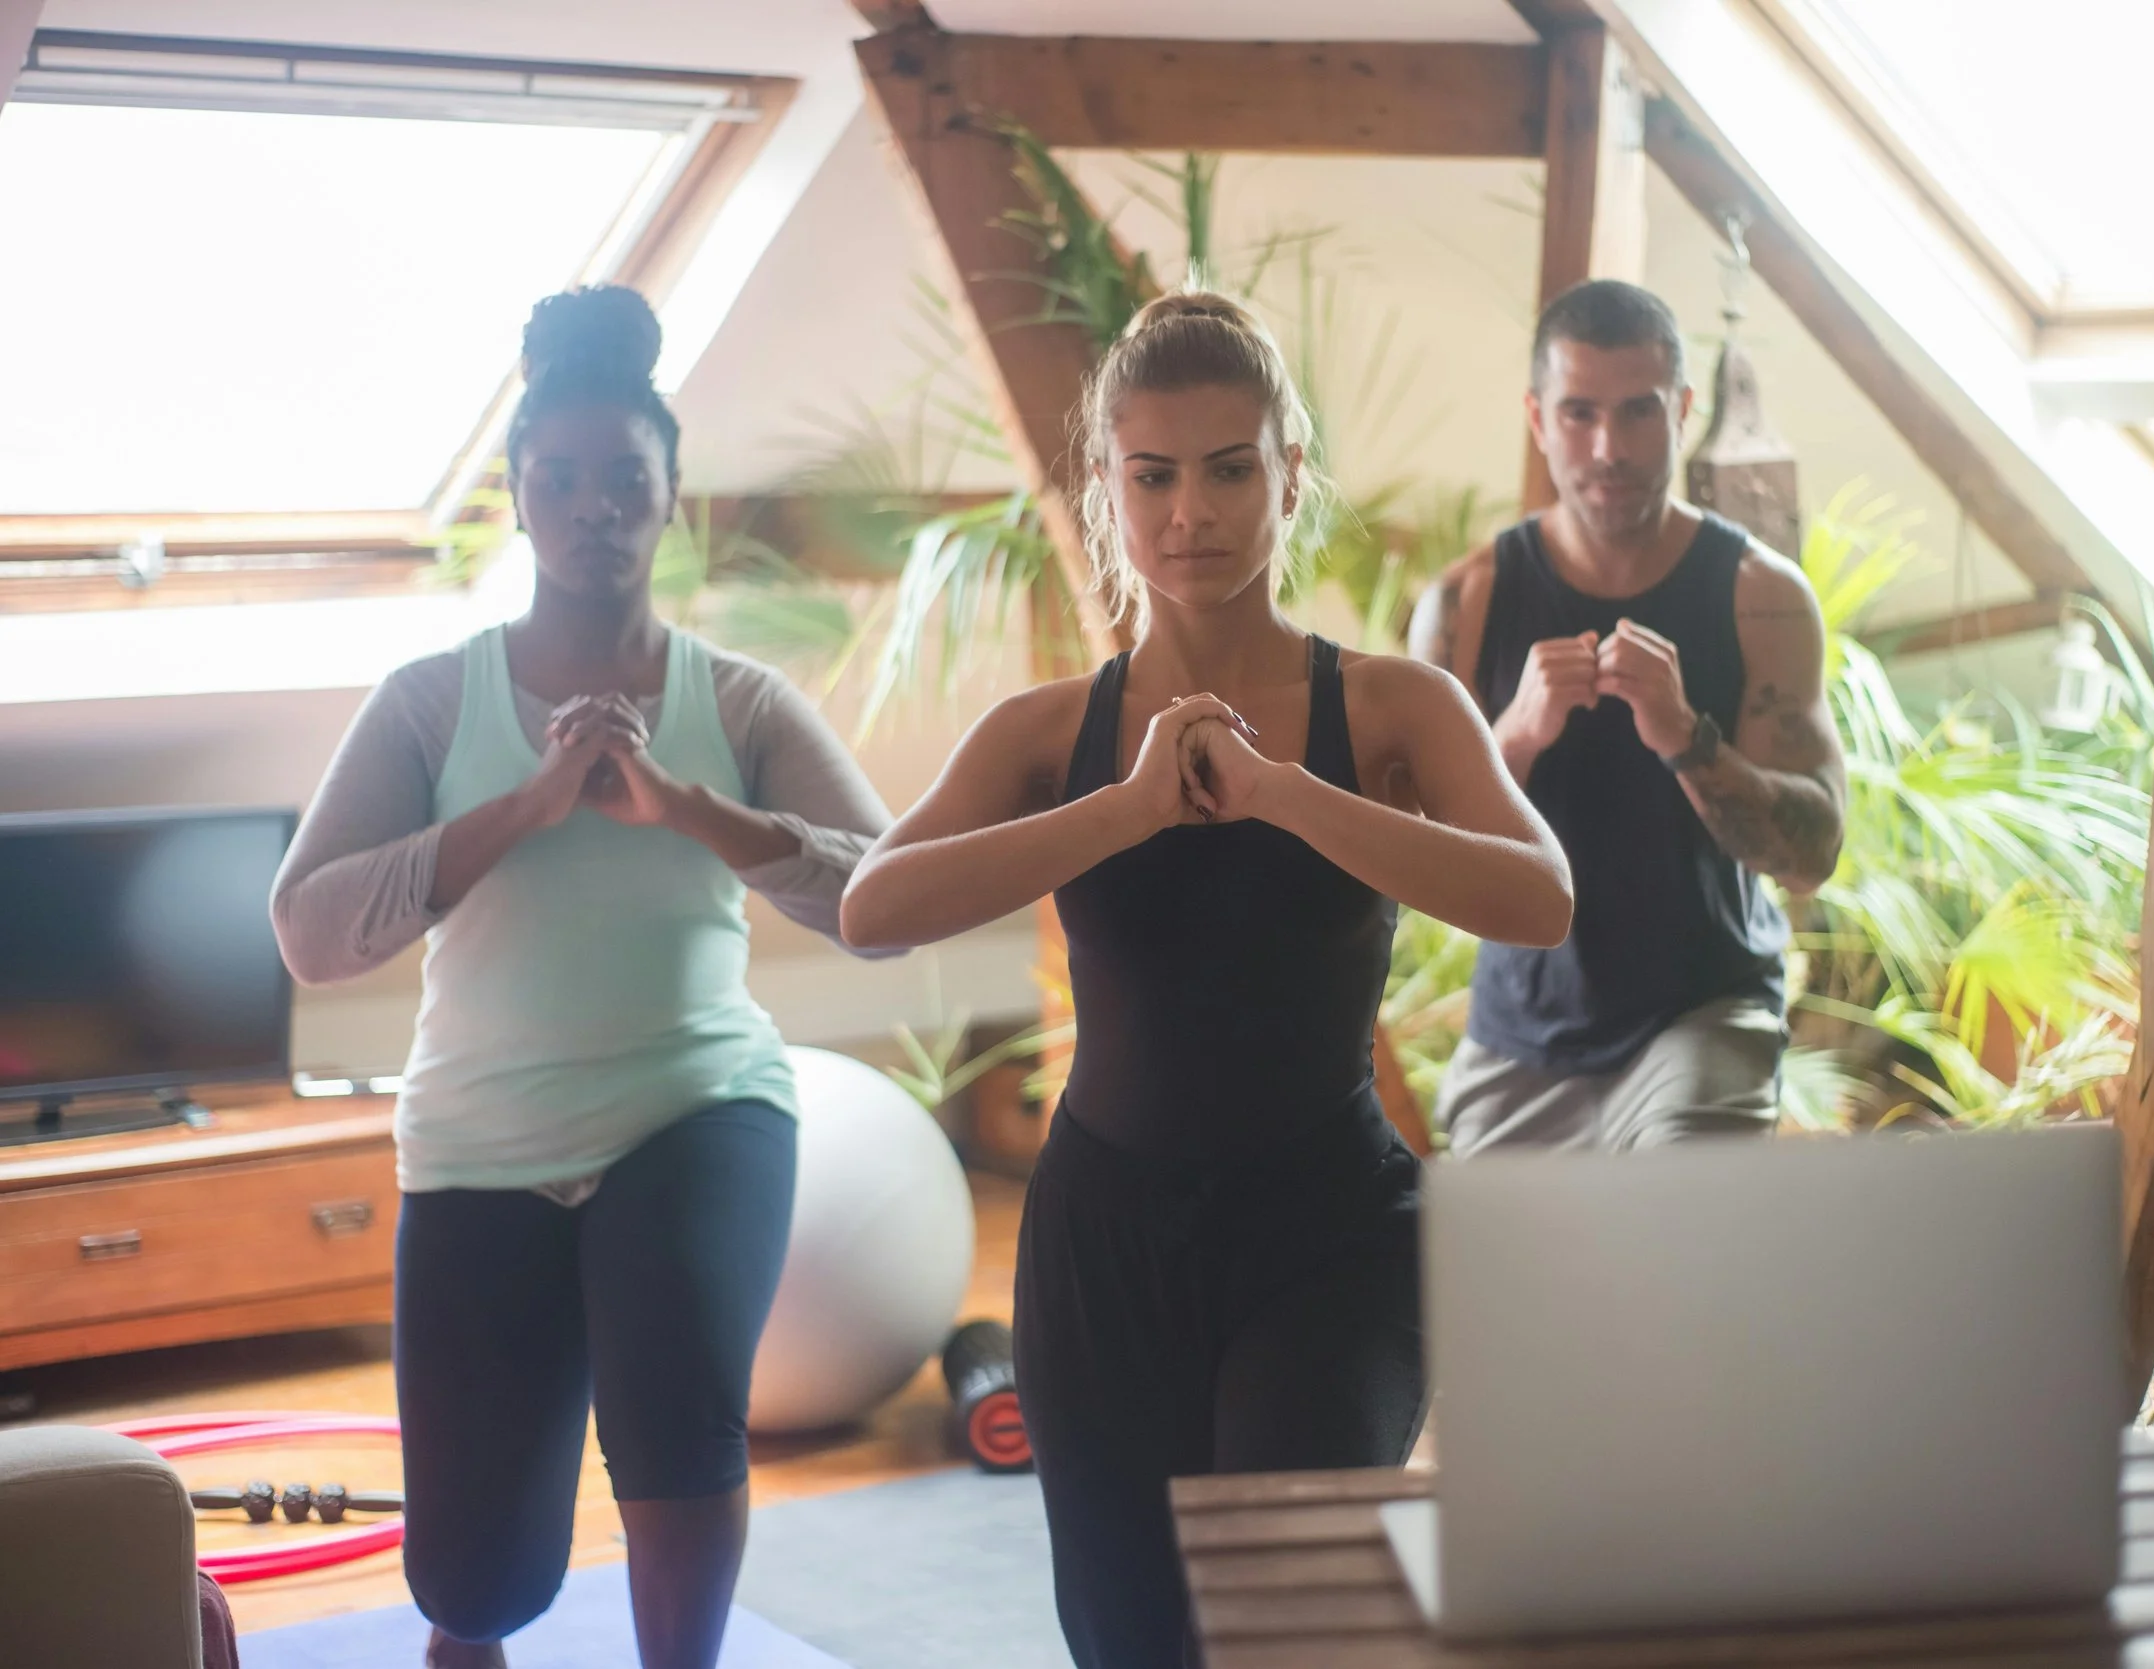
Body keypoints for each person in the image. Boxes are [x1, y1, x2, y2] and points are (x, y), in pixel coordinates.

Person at [840, 291, 1572, 1669]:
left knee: (1284, 1624)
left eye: (1231, 469)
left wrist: (1286, 792)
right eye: (1154, 475)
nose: (1193, 512)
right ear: (1107, 488)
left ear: (1289, 477)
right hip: (1102, 1248)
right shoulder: (1048, 733)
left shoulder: (1394, 707)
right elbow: (872, 909)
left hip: (1333, 1238)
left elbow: (1539, 897)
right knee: (1128, 1643)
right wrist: (1124, 810)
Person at [270, 286, 892, 1669]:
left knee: (677, 1425)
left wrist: (688, 807)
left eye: (625, 478)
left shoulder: (740, 702)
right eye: (559, 478)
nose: (593, 507)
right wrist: (528, 804)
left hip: (696, 1105)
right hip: (478, 1140)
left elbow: (889, 904)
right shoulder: (432, 699)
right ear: (516, 495)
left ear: (670, 496)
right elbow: (309, 930)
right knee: (474, 1582)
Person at [1409, 278, 1844, 1156]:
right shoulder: (1467, 603)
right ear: (1538, 419)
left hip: (1704, 1007)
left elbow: (1811, 857)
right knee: (1496, 1245)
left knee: (1674, 1209)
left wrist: (1688, 737)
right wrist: (1515, 736)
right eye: (1580, 414)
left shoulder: (1759, 596)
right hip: (1519, 1031)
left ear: (1681, 410)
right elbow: (1420, 861)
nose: (1609, 448)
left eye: (1638, 412)